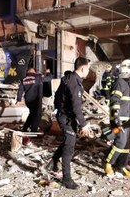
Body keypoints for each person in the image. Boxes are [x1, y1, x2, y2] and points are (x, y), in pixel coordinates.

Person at [48, 57, 91, 189]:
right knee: (69, 146)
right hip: (65, 116)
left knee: (69, 139)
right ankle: (66, 178)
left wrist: (58, 109)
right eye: (88, 69)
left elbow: (57, 96)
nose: (88, 71)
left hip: (65, 115)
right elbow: (76, 106)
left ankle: (53, 161)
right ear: (83, 68)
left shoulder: (69, 78)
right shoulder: (74, 82)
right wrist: (83, 123)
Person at [105, 59, 130, 178]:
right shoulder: (119, 82)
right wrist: (116, 119)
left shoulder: (128, 83)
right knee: (120, 143)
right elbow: (114, 101)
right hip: (120, 120)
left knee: (126, 146)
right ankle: (109, 163)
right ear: (128, 69)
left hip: (128, 120)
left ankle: (121, 167)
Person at [16, 67, 52, 132]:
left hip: (28, 101)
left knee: (32, 114)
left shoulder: (24, 79)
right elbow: (49, 78)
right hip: (36, 100)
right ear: (33, 72)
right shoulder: (37, 77)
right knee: (38, 115)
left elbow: (20, 90)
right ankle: (34, 131)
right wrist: (48, 73)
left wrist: (18, 100)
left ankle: (25, 128)